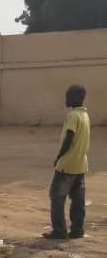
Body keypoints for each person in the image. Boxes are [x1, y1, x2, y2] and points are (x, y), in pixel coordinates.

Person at [44, 85, 90, 241]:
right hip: (80, 164)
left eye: (69, 96)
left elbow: (69, 138)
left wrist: (59, 156)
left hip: (67, 164)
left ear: (78, 97)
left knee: (56, 196)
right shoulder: (85, 115)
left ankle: (59, 230)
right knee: (78, 199)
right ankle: (77, 230)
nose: (66, 99)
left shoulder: (72, 116)